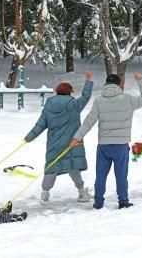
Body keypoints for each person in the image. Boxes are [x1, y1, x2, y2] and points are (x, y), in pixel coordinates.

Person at [71, 73, 142, 209]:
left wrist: (77, 137)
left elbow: (89, 121)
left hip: (104, 146)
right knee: (121, 176)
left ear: (106, 84)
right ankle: (123, 202)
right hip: (120, 146)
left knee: (100, 176)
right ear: (119, 84)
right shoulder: (128, 99)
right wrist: (140, 80)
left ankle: (98, 203)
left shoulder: (99, 100)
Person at [24, 71, 93, 204]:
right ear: (69, 92)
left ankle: (45, 193)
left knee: (52, 166)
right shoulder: (74, 104)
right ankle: (82, 192)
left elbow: (40, 125)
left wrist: (29, 137)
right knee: (73, 166)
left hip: (54, 144)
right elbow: (86, 96)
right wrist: (88, 81)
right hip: (71, 143)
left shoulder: (49, 106)